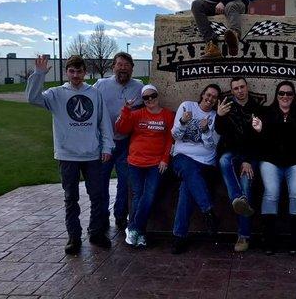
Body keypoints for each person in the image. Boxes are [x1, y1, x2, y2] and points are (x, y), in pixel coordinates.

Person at [26, 55, 114, 255]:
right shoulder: (56, 94)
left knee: (97, 196)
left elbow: (103, 122)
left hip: (92, 154)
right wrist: (39, 74)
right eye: (72, 71)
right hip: (67, 155)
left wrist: (107, 147)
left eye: (79, 71)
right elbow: (32, 98)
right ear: (67, 72)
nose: (75, 75)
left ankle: (96, 232)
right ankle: (74, 237)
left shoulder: (94, 93)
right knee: (70, 198)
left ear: (85, 72)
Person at [252, 81, 296, 256]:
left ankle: (295, 238)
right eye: (282, 93)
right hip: (271, 161)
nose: (285, 97)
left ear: (294, 96)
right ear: (276, 95)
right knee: (271, 192)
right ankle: (269, 238)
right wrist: (260, 131)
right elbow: (261, 145)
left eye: (289, 94)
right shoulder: (266, 114)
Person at [115, 84, 174, 248]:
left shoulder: (167, 115)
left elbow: (170, 139)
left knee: (149, 195)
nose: (150, 100)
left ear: (157, 96)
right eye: (146, 98)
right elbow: (121, 128)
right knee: (138, 195)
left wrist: (165, 159)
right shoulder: (136, 114)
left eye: (152, 96)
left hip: (156, 163)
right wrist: (126, 110)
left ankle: (133, 228)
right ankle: (140, 233)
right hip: (135, 162)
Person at [94, 52, 144, 230]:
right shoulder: (100, 85)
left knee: (125, 182)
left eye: (126, 65)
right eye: (119, 64)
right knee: (101, 182)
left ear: (132, 68)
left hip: (125, 143)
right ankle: (101, 216)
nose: (122, 68)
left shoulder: (139, 86)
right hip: (104, 142)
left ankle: (120, 215)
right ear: (113, 67)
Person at [170, 84, 222, 254]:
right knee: (189, 170)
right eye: (208, 94)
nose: (210, 99)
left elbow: (211, 145)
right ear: (202, 94)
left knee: (187, 186)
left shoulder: (215, 116)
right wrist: (184, 122)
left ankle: (179, 236)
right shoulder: (187, 106)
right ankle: (208, 210)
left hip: (205, 163)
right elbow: (175, 135)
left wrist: (206, 129)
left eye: (214, 97)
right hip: (181, 158)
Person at [215, 77, 262, 252]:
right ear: (232, 91)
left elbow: (259, 138)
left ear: (247, 87)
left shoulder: (257, 108)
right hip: (232, 151)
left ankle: (244, 236)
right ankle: (237, 198)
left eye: (242, 87)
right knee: (223, 160)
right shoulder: (227, 106)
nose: (240, 91)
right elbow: (220, 131)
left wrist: (248, 160)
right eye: (236, 88)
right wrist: (219, 116)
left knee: (246, 185)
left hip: (250, 155)